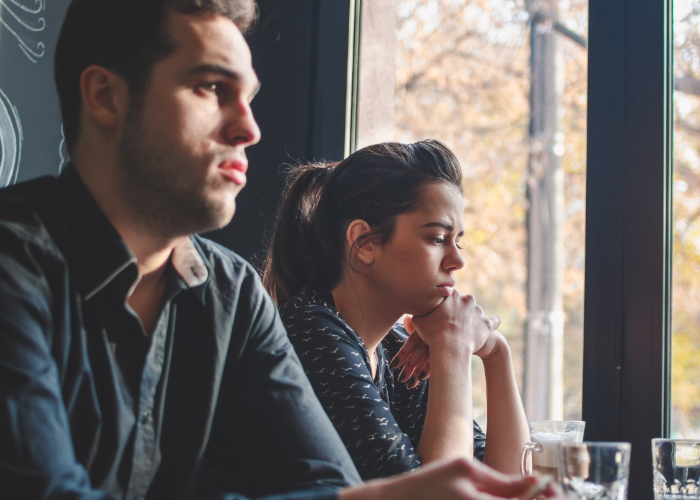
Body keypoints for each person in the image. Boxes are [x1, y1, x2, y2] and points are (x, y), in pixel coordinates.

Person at [0, 0, 561, 498]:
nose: (249, 128)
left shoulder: (231, 291)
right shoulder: (13, 262)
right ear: (106, 96)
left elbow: (323, 485)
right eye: (210, 88)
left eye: (248, 97)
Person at [262, 141, 530, 480]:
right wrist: (453, 343)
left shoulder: (395, 351)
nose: (458, 260)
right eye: (436, 238)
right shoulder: (310, 333)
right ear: (366, 243)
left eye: (457, 241)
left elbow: (509, 485)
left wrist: (496, 353)